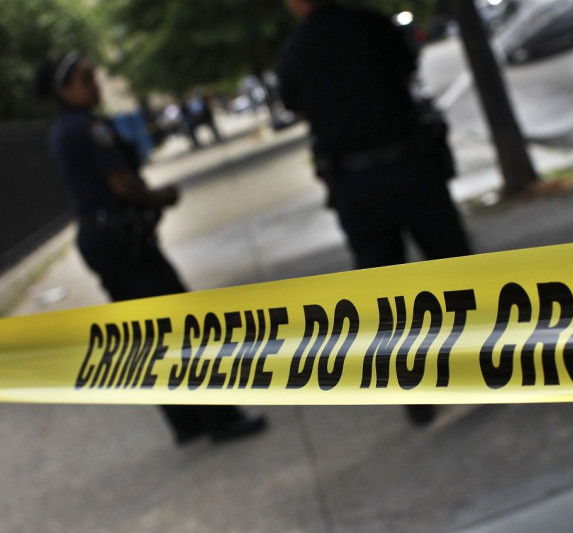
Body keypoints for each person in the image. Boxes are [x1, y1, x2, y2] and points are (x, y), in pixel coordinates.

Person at [34, 53, 266, 446]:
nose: (96, 85)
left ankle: (185, 422)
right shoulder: (88, 128)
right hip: (123, 241)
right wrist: (158, 197)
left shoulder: (62, 131)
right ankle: (221, 420)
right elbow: (121, 184)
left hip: (104, 239)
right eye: (86, 79)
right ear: (64, 89)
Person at [278, 0, 473, 425]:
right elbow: (406, 68)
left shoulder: (294, 52)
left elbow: (297, 107)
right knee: (453, 267)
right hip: (410, 165)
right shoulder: (370, 25)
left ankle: (417, 396)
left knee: (385, 293)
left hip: (356, 184)